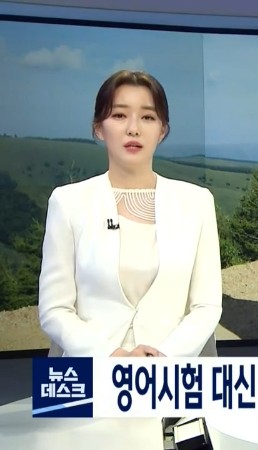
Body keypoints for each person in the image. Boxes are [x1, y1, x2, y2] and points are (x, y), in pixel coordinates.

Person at [38, 70, 222, 357]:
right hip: (90, 371)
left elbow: (206, 305)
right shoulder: (68, 202)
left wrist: (161, 357)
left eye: (147, 117)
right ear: (98, 128)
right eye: (119, 115)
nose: (133, 129)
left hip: (171, 370)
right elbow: (55, 309)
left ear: (162, 130)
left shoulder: (197, 203)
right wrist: (108, 355)